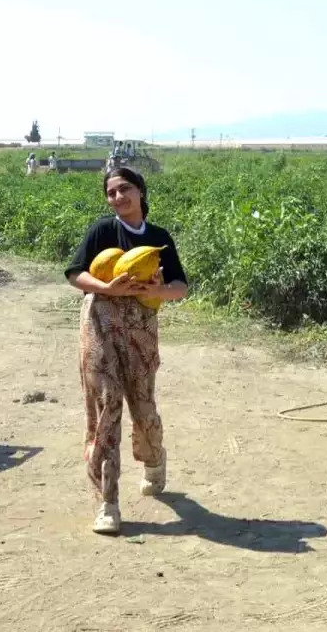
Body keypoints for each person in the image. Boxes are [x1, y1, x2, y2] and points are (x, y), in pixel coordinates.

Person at [63, 166, 188, 535]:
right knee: (106, 405)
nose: (119, 197)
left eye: (125, 189)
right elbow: (75, 273)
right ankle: (108, 501)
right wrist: (107, 288)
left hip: (141, 328)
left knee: (142, 402)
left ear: (141, 192)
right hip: (100, 321)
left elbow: (180, 284)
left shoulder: (159, 237)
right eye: (112, 192)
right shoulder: (102, 230)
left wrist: (158, 293)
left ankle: (153, 458)